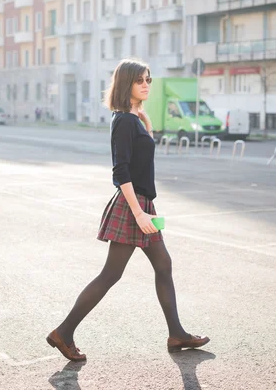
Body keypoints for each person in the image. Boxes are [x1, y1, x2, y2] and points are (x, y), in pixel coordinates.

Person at [46, 59, 209, 362]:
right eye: (140, 81)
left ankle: (176, 333)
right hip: (132, 206)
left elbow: (140, 158)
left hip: (143, 204)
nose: (147, 84)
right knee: (111, 274)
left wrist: (145, 123)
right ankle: (64, 333)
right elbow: (121, 171)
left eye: (149, 79)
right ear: (126, 85)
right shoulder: (122, 120)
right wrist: (138, 213)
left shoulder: (132, 119)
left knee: (163, 265)